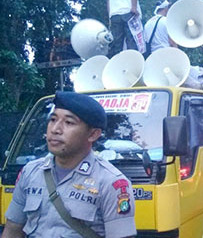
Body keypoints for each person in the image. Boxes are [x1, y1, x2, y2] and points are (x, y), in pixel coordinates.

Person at [3, 92, 137, 237]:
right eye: (53, 120)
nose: (55, 129)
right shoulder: (30, 172)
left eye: (69, 123)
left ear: (93, 134)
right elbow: (12, 230)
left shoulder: (111, 183)